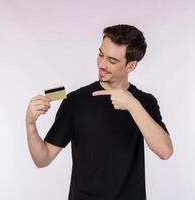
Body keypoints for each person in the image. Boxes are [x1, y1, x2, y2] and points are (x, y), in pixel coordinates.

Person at [25, 24, 173, 200]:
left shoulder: (145, 102)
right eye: (100, 54)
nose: (101, 64)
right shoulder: (75, 100)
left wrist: (132, 104)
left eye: (112, 61)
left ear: (131, 66)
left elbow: (165, 151)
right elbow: (43, 159)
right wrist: (30, 125)